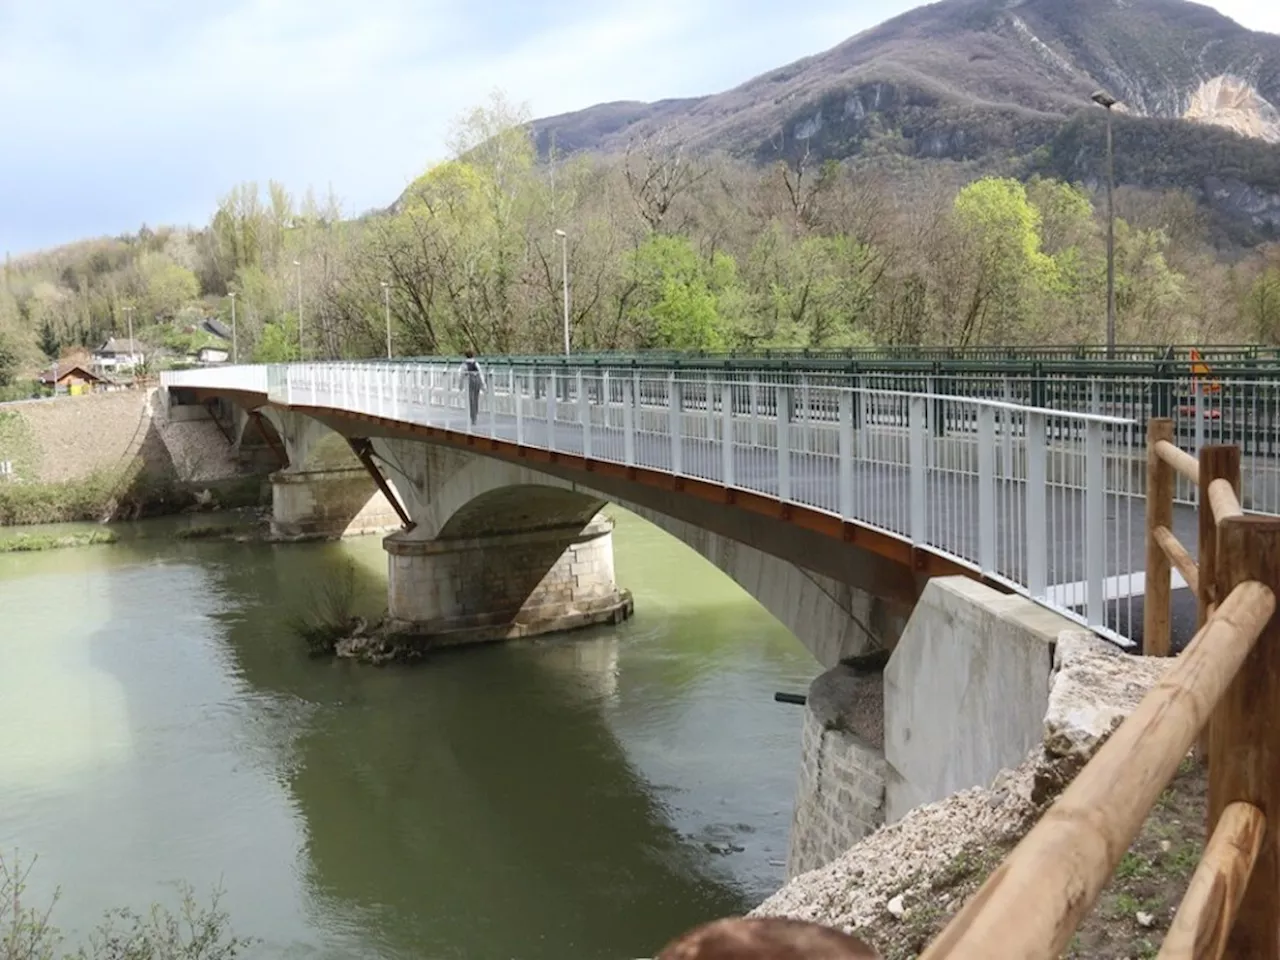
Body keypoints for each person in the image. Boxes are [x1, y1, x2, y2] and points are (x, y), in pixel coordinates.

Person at [456, 349, 487, 426]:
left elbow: (460, 376)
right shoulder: (476, 363)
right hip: (477, 381)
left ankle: (473, 417)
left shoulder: (464, 365)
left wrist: (460, 386)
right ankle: (475, 415)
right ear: (473, 355)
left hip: (469, 382)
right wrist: (483, 386)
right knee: (476, 399)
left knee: (471, 400)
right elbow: (481, 374)